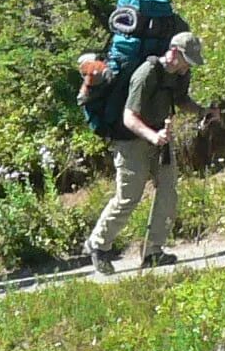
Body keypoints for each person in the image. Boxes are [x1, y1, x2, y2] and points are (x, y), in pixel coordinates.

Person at [87, 32, 204, 273]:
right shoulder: (145, 74)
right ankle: (98, 245)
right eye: (187, 61)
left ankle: (153, 252)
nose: (188, 68)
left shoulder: (180, 74)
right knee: (129, 196)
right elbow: (129, 118)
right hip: (130, 140)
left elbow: (181, 100)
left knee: (168, 191)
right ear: (173, 53)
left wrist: (203, 111)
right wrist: (153, 136)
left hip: (159, 138)